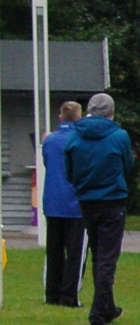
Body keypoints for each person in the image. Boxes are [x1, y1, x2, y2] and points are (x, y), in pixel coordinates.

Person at [63, 93, 134, 325]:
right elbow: (128, 166)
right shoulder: (119, 136)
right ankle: (98, 315)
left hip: (87, 201)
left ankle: (108, 307)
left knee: (98, 255)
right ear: (111, 113)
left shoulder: (74, 136)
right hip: (113, 200)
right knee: (107, 259)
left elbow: (69, 171)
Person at [40, 100, 86, 308]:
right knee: (75, 253)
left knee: (54, 250)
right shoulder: (80, 140)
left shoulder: (49, 140)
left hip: (53, 200)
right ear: (79, 117)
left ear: (60, 117)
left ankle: (52, 293)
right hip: (75, 203)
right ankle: (69, 296)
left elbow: (47, 163)